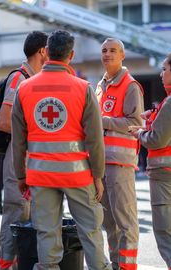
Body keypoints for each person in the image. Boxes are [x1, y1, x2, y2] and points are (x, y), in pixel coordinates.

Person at [12, 29, 111, 270]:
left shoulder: (24, 88)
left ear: (46, 53)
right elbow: (95, 139)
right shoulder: (83, 88)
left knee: (46, 233)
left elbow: (18, 140)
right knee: (90, 232)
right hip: (77, 175)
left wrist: (21, 176)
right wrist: (98, 176)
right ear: (71, 55)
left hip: (40, 175)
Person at [0, 30, 48, 270]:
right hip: (18, 155)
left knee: (28, 215)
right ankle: (5, 265)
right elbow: (4, 122)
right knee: (16, 213)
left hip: (30, 156)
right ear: (42, 52)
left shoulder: (34, 78)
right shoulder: (20, 78)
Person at [96, 38, 144, 270]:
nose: (107, 54)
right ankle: (117, 264)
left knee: (125, 221)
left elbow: (136, 123)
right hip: (101, 163)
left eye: (113, 50)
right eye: (104, 51)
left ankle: (127, 266)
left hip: (121, 163)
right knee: (109, 221)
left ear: (122, 55)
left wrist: (102, 121)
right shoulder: (100, 85)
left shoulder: (130, 85)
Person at [130, 53, 171, 270]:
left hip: (164, 174)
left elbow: (157, 140)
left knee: (165, 232)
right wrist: (153, 117)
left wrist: (140, 133)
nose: (161, 73)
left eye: (165, 68)